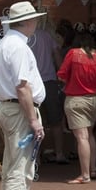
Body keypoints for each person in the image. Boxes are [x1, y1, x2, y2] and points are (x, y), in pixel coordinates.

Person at [0, 1, 49, 190]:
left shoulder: (4, 45)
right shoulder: (18, 47)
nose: (36, 23)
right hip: (19, 110)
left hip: (10, 108)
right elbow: (23, 87)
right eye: (34, 19)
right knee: (19, 165)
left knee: (17, 162)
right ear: (26, 22)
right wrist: (33, 119)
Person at [56, 32, 96, 184]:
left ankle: (85, 175)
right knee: (90, 135)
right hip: (93, 99)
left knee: (81, 137)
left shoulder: (73, 53)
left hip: (76, 99)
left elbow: (61, 75)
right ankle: (93, 169)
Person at [29, 20, 67, 165]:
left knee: (35, 120)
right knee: (56, 120)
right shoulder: (46, 36)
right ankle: (59, 153)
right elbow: (57, 55)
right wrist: (62, 75)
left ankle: (36, 156)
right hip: (49, 81)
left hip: (32, 82)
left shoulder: (25, 39)